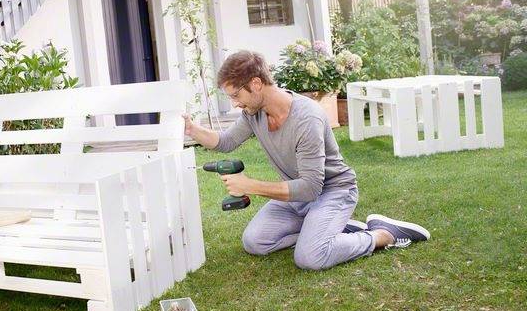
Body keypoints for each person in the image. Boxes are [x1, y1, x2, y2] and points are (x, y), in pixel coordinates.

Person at [184, 50, 430, 271]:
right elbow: (225, 141)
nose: (235, 103)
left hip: (332, 191)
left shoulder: (306, 119)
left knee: (310, 257)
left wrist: (250, 186)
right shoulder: (253, 114)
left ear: (256, 83)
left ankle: (381, 235)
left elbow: (311, 187)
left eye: (236, 95)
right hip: (295, 196)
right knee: (256, 242)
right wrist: (192, 129)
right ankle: (327, 230)